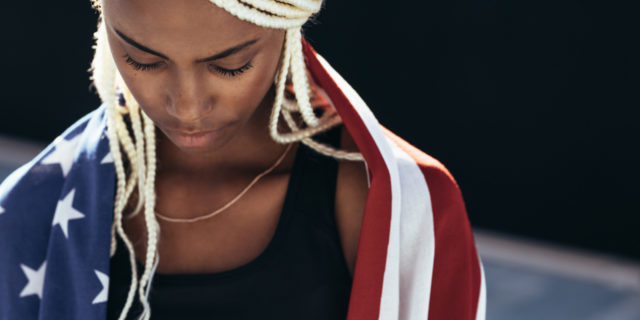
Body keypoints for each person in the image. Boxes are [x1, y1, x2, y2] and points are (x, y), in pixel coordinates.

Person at [0, 0, 486, 319]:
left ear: (286, 28)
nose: (187, 106)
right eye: (143, 60)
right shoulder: (30, 209)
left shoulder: (387, 200)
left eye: (230, 65)